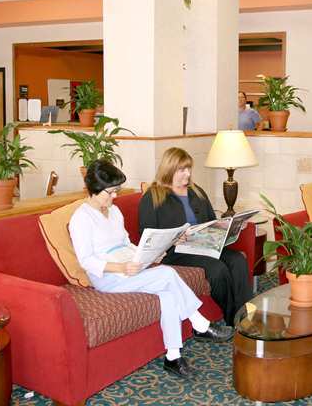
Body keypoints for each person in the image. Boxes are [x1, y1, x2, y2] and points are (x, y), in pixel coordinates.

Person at [68, 160, 232, 380]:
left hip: (128, 265)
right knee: (166, 273)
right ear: (94, 189)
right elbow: (87, 261)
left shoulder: (114, 211)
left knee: (167, 294)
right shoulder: (81, 218)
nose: (115, 197)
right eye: (111, 192)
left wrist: (148, 253)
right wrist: (121, 267)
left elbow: (125, 242)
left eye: (117, 191)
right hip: (107, 275)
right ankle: (200, 323)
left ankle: (173, 357)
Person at [138, 147, 253, 325]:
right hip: (174, 252)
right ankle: (234, 319)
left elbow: (211, 221)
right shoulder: (153, 197)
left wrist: (230, 226)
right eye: (182, 170)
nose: (187, 174)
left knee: (238, 260)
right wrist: (173, 239)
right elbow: (147, 235)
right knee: (217, 269)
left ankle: (247, 316)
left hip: (202, 245)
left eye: (189, 168)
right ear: (169, 170)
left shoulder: (196, 191)